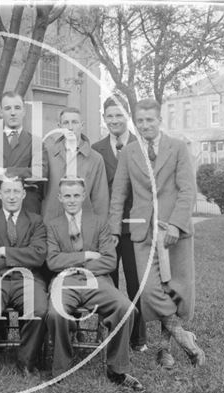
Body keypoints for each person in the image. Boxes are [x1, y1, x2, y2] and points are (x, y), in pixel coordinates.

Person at [109, 98, 205, 369]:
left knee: (174, 290)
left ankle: (165, 350)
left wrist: (175, 224)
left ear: (160, 121)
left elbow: (187, 190)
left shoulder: (178, 148)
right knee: (149, 292)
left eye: (150, 120)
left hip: (174, 232)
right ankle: (183, 337)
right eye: (140, 121)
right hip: (143, 233)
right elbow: (119, 194)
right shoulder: (129, 152)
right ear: (135, 123)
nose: (145, 125)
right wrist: (115, 230)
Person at [45, 179, 144, 391]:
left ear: (83, 196)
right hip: (65, 281)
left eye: (76, 195)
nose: (72, 200)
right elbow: (53, 261)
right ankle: (60, 368)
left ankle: (117, 369)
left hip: (97, 279)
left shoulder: (99, 223)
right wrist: (87, 255)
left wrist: (72, 261)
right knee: (55, 313)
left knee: (126, 309)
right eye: (67, 196)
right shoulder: (52, 225)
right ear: (60, 198)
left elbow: (109, 260)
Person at [0, 177, 48, 381]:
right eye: (7, 192)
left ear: (23, 194)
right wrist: (22, 257)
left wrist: (4, 251)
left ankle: (27, 362)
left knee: (38, 309)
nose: (12, 196)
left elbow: (38, 255)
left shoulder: (36, 221)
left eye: (16, 191)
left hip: (27, 280)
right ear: (0, 194)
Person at [92, 96, 146, 352]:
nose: (114, 120)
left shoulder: (142, 146)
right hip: (107, 229)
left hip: (134, 226)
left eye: (119, 115)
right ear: (104, 119)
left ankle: (138, 338)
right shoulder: (96, 149)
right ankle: (110, 336)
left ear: (128, 117)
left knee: (136, 282)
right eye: (109, 116)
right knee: (108, 283)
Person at [0, 91, 49, 214]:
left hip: (27, 204)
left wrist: (7, 171)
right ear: (0, 112)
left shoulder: (35, 142)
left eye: (17, 107)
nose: (13, 113)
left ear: (24, 111)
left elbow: (40, 172)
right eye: (7, 108)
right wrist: (17, 181)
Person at [42, 107, 109, 223]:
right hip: (51, 223)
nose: (70, 127)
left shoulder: (95, 159)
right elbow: (40, 192)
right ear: (59, 126)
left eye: (75, 122)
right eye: (66, 123)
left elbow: (100, 199)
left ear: (82, 125)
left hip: (84, 225)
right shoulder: (48, 154)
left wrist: (100, 229)